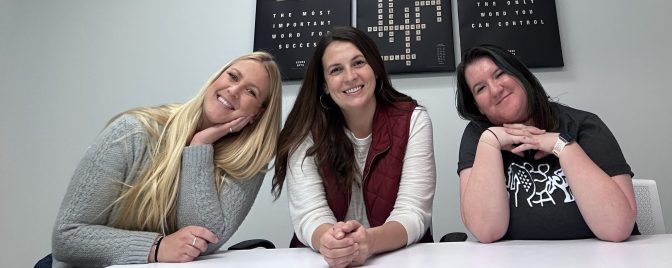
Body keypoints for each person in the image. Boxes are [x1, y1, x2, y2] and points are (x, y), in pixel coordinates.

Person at [51, 51, 282, 267]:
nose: (233, 90)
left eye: (251, 91)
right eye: (232, 77)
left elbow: (203, 240)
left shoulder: (248, 164)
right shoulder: (133, 132)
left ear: (257, 114)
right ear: (216, 79)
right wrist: (156, 247)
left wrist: (199, 146)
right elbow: (67, 236)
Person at [272, 26, 436, 267]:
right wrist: (333, 242)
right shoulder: (304, 130)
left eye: (358, 63)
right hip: (325, 260)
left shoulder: (413, 120)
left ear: (376, 70)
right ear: (325, 85)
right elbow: (309, 214)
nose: (350, 76)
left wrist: (369, 241)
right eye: (336, 70)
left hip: (398, 258)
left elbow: (413, 212)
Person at [455, 44, 639, 243]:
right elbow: (487, 231)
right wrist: (489, 143)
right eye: (480, 88)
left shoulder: (585, 126)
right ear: (477, 106)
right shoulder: (478, 136)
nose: (495, 89)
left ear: (520, 75)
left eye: (500, 74)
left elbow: (617, 228)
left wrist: (563, 146)